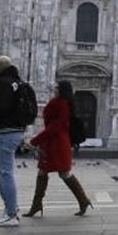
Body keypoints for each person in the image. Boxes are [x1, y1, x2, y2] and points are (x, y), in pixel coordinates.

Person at [24, 80, 93, 217]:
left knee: (63, 173)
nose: (54, 87)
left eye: (57, 86)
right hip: (52, 143)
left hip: (57, 144)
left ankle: (83, 200)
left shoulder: (61, 104)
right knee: (44, 172)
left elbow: (55, 126)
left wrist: (35, 140)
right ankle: (37, 205)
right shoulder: (60, 102)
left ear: (61, 89)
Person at [0, 56, 30, 227]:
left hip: (5, 132)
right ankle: (11, 204)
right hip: (10, 132)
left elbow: (0, 108)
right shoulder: (18, 82)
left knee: (5, 172)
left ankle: (11, 214)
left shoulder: (4, 83)